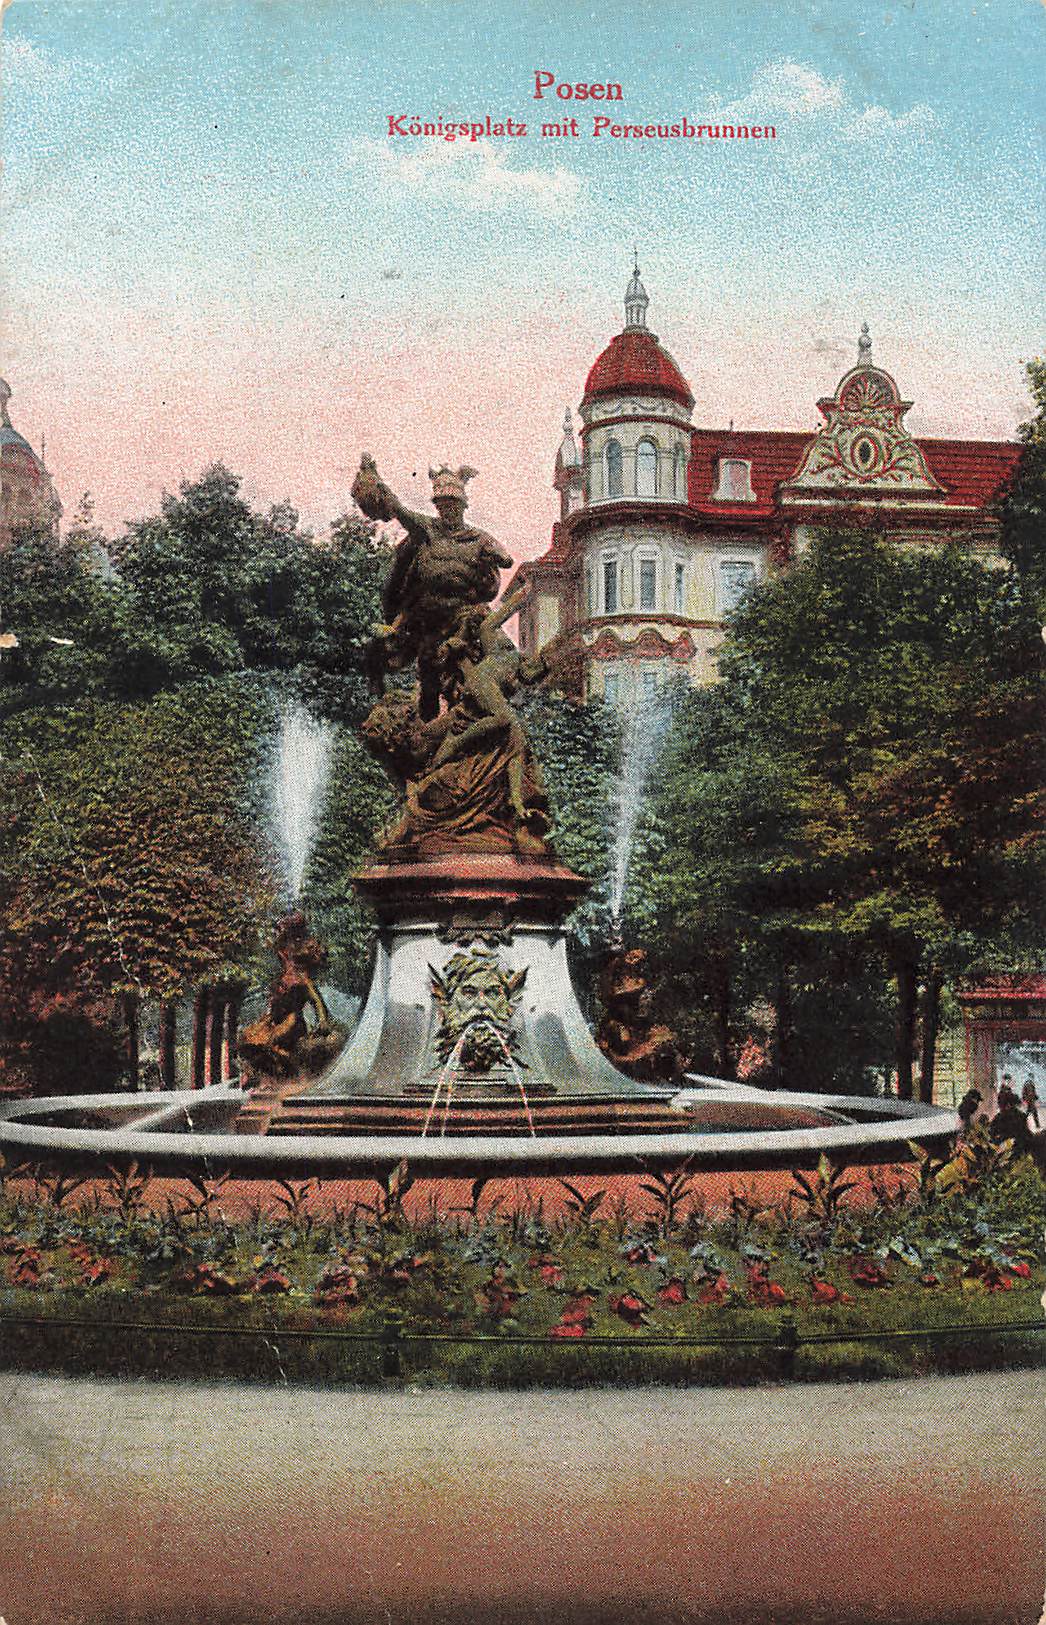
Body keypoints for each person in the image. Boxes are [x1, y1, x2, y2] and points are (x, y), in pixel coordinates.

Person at [352, 455, 512, 720]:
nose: (448, 510)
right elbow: (399, 510)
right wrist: (376, 481)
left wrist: (494, 557)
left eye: (453, 505)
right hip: (428, 620)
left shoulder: (479, 538)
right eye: (443, 506)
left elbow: (506, 559)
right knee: (427, 682)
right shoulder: (427, 529)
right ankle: (426, 733)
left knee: (471, 680)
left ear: (463, 506)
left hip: (464, 619)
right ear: (437, 507)